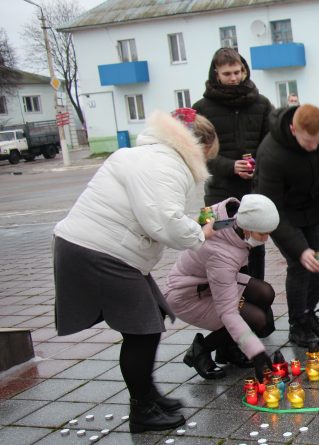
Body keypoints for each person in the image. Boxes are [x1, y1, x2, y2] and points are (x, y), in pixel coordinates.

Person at [53, 109, 219, 433]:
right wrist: (201, 233)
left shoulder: (149, 155)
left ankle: (150, 395)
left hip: (98, 248)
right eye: (209, 157)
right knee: (143, 330)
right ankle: (143, 411)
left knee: (151, 317)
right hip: (99, 251)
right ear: (198, 147)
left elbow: (154, 212)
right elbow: (165, 221)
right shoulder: (166, 164)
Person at [165, 194, 279, 381]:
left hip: (210, 281)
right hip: (188, 295)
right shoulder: (221, 255)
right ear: (246, 227)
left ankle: (227, 351)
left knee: (265, 293)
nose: (265, 239)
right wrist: (256, 352)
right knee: (256, 319)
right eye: (261, 234)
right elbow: (228, 311)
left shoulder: (230, 219)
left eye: (269, 233)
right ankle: (200, 350)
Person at [256, 104, 319, 346]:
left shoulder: (318, 133)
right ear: (293, 129)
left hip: (311, 206)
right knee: (301, 264)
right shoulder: (271, 153)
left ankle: (308, 310)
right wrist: (300, 249)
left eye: (318, 141)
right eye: (308, 143)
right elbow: (273, 210)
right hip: (282, 214)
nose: (314, 147)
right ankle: (297, 324)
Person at [193, 47, 274, 282]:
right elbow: (198, 153)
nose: (234, 78)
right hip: (220, 192)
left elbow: (270, 144)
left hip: (253, 189)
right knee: (224, 250)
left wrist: (259, 165)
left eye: (238, 72)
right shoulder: (202, 108)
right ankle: (230, 301)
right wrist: (230, 166)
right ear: (216, 73)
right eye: (227, 73)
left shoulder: (261, 103)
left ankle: (258, 300)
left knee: (255, 247)